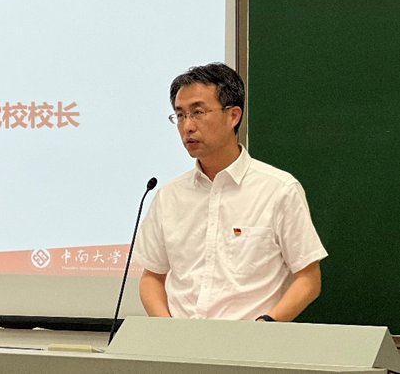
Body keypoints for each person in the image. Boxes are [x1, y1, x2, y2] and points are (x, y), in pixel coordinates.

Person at [133, 63, 327, 321]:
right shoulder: (169, 196)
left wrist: (266, 326)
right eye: (180, 115)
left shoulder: (279, 190)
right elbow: (152, 278)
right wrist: (168, 329)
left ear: (233, 116)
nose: (187, 126)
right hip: (180, 340)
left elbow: (309, 279)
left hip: (251, 340)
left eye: (198, 112)